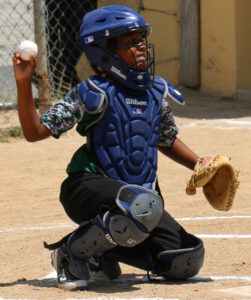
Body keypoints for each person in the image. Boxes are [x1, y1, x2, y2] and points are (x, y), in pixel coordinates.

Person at [13, 5, 205, 291]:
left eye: (141, 40)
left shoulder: (155, 92)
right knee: (139, 205)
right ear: (105, 51)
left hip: (140, 202)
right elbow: (35, 132)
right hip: (86, 188)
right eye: (131, 42)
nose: (142, 48)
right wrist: (24, 83)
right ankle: (72, 252)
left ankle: (100, 251)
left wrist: (201, 165)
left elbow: (164, 139)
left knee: (185, 260)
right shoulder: (93, 92)